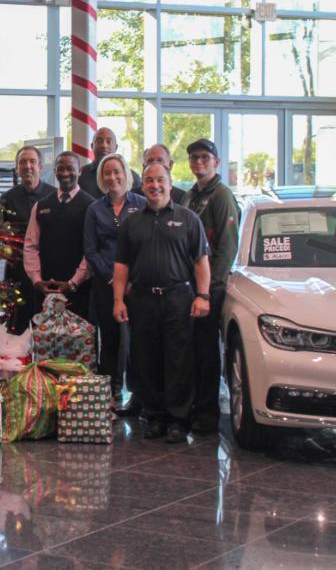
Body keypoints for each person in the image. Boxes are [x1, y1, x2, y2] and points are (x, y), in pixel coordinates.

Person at [113, 162, 211, 443]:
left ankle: (178, 420)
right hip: (142, 299)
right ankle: (155, 417)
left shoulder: (189, 219)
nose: (154, 186)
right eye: (149, 180)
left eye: (160, 180)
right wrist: (118, 300)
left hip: (178, 299)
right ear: (142, 185)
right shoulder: (132, 222)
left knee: (178, 361)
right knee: (147, 359)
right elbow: (121, 265)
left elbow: (201, 261)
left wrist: (203, 296)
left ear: (169, 184)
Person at [182, 138, 240, 435]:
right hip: (188, 287)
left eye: (205, 157)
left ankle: (208, 413)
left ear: (216, 162)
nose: (199, 162)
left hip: (209, 289)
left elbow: (227, 248)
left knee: (206, 352)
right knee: (192, 350)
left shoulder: (221, 195)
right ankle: (194, 406)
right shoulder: (191, 195)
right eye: (194, 157)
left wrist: (209, 291)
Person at [83, 153, 146, 407]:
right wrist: (111, 278)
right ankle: (111, 393)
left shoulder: (142, 204)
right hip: (105, 283)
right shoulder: (94, 209)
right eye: (107, 173)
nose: (112, 177)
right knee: (110, 340)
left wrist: (132, 279)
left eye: (116, 171)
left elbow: (148, 244)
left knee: (137, 341)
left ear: (125, 174)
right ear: (101, 177)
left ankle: (138, 395)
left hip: (137, 285)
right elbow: (90, 250)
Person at [23, 151, 93, 320]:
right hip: (45, 289)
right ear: (55, 171)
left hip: (79, 291)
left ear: (79, 171)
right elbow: (31, 245)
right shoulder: (41, 206)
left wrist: (73, 282)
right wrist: (37, 280)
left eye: (70, 168)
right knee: (44, 335)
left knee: (79, 336)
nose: (65, 173)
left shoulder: (91, 206)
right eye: (60, 168)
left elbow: (92, 250)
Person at [0, 146, 57, 332]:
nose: (28, 166)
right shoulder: (6, 199)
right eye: (23, 162)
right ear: (17, 168)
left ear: (41, 167)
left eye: (32, 161)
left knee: (47, 326)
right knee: (16, 326)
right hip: (17, 271)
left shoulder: (54, 196)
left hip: (47, 270)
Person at [78, 128, 141, 199]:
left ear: (116, 147)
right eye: (99, 142)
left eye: (108, 142)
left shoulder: (132, 177)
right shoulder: (82, 174)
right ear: (92, 146)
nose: (104, 145)